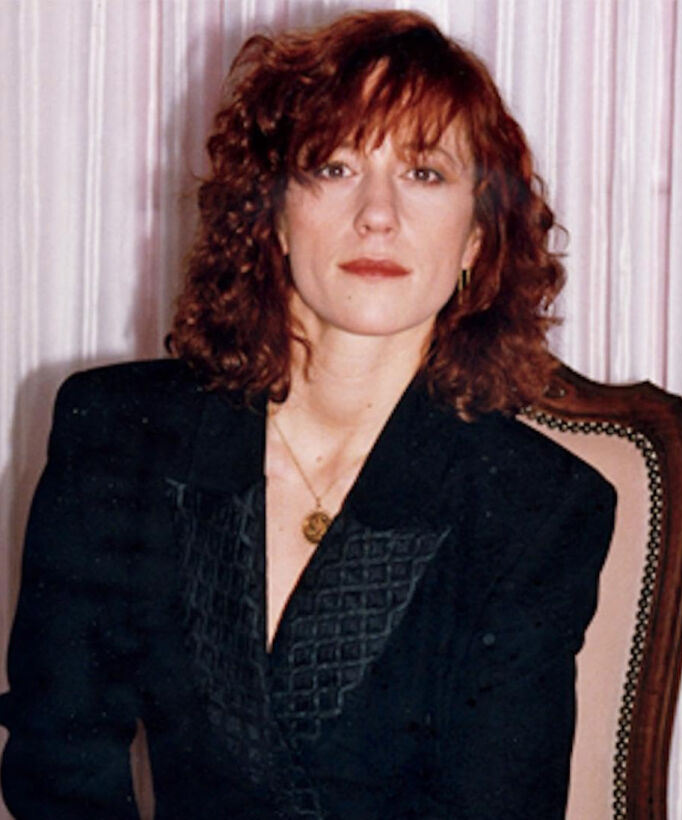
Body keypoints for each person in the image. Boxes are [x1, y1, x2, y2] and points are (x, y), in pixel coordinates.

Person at [0, 9, 616, 819]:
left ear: (477, 237)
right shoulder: (119, 431)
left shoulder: (539, 505)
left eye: (425, 173)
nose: (378, 214)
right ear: (272, 213)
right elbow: (59, 761)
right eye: (334, 166)